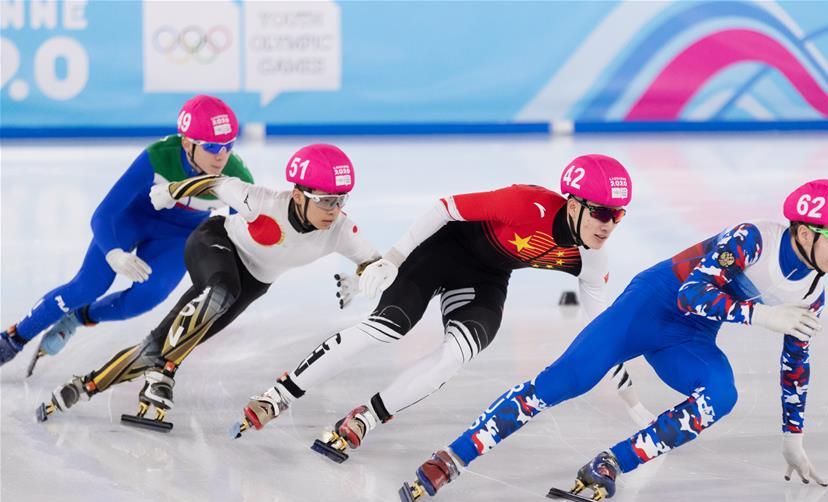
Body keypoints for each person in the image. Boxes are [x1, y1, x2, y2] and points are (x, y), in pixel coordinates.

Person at [398, 179, 828, 502]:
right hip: (648, 307)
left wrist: (793, 438)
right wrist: (762, 315)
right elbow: (692, 294)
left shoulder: (811, 294)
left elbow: (796, 365)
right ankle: (452, 456)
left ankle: (609, 464)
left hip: (689, 337)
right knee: (563, 382)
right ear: (806, 232)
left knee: (721, 396)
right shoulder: (754, 238)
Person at [233, 154, 653, 461]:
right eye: (602, 213)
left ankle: (366, 418)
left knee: (456, 355)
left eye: (618, 216)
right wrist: (393, 258)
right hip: (440, 253)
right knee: (386, 328)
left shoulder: (591, 258)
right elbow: (444, 208)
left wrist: (633, 403)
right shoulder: (525, 204)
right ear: (574, 204)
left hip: (486, 280)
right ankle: (278, 395)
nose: (609, 225)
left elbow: (604, 333)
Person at [37, 144, 380, 431]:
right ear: (298, 195)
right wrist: (172, 191)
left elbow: (377, 264)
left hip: (252, 283)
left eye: (341, 200)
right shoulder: (262, 201)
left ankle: (85, 386)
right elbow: (217, 183)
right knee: (221, 292)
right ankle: (165, 373)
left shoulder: (341, 231)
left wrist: (361, 278)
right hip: (214, 243)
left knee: (165, 340)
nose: (333, 210)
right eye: (325, 200)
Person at [0, 95, 252, 375]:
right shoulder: (159, 157)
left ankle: (79, 317)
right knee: (87, 286)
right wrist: (113, 252)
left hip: (177, 237)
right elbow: (103, 214)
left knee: (145, 299)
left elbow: (241, 233)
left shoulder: (236, 177)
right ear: (186, 143)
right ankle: (13, 338)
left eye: (228, 145)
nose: (221, 156)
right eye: (212, 146)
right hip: (131, 219)